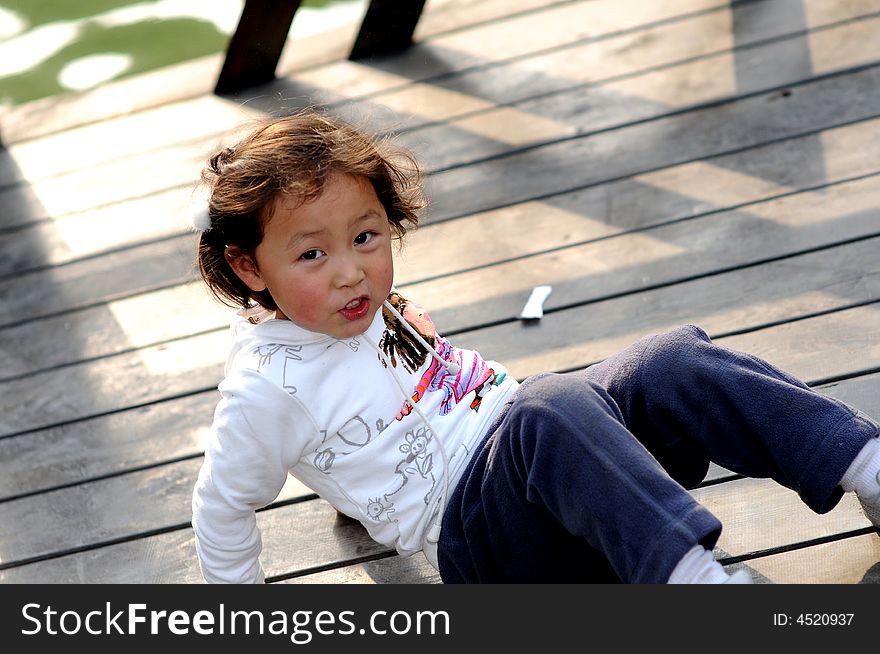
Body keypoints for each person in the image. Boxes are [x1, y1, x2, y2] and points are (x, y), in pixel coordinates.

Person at [190, 110, 880, 584]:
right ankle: (693, 578)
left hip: (561, 465)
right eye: (312, 253)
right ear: (249, 267)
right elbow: (223, 504)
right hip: (492, 542)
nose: (350, 270)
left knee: (670, 361)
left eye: (366, 237)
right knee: (550, 404)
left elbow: (369, 412)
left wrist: (350, 493)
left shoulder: (355, 304)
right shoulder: (264, 391)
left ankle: (863, 463)